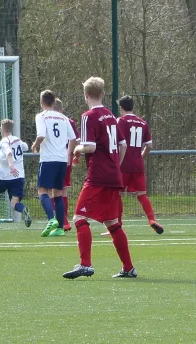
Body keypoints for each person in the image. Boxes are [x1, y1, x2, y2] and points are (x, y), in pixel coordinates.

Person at [62, 77, 137, 279]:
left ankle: (85, 264)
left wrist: (77, 149)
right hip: (114, 176)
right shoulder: (112, 117)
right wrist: (115, 166)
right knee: (112, 222)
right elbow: (123, 145)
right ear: (103, 94)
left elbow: (90, 146)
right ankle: (128, 267)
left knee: (78, 217)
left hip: (97, 177)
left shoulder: (89, 116)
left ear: (85, 95)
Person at [101, 95, 163, 236]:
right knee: (142, 195)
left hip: (123, 164)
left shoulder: (120, 121)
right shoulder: (142, 123)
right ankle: (152, 220)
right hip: (138, 164)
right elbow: (149, 146)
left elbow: (115, 142)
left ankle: (117, 226)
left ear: (121, 107)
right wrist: (140, 156)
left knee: (117, 195)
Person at [31, 90, 77, 237]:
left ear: (41, 102)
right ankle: (60, 228)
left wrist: (35, 145)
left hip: (48, 159)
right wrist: (68, 154)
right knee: (58, 192)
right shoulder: (64, 118)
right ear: (54, 102)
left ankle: (51, 219)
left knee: (42, 190)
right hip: (62, 160)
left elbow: (41, 135)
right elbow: (73, 139)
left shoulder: (41, 116)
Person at [0, 119, 32, 228]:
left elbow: (9, 152)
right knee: (14, 204)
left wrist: (11, 165)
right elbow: (26, 147)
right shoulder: (17, 140)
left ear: (3, 129)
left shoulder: (4, 141)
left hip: (4, 177)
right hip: (18, 177)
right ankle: (23, 209)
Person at [51, 98, 79, 232]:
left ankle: (54, 220)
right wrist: (72, 155)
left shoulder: (47, 119)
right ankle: (64, 221)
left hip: (51, 158)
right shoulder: (68, 121)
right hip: (65, 159)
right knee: (63, 190)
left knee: (50, 190)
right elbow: (75, 140)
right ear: (62, 109)